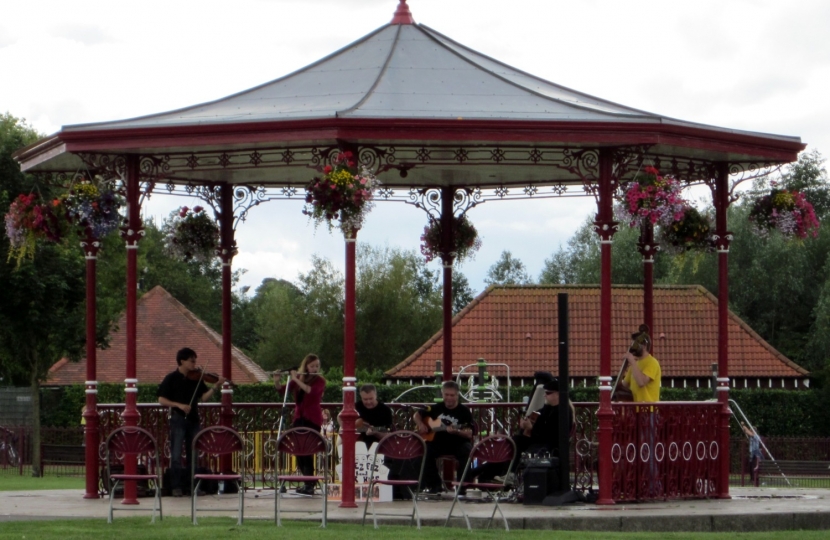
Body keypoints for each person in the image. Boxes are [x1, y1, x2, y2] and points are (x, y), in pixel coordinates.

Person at [157, 347, 225, 498]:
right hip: (177, 418)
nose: (195, 364)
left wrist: (216, 386)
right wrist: (179, 405)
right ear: (182, 361)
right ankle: (176, 486)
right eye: (192, 361)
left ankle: (192, 486)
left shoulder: (196, 378)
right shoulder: (171, 378)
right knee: (175, 454)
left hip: (194, 419)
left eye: (195, 361)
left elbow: (204, 397)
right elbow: (161, 399)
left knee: (193, 454)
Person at [274, 353, 326, 496]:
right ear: (306, 366)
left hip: (312, 419)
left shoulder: (319, 381)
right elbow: (282, 390)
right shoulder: (299, 378)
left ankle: (310, 484)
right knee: (298, 450)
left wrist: (296, 379)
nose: (315, 368)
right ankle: (307, 482)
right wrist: (277, 381)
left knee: (307, 450)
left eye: (317, 366)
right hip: (299, 418)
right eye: (312, 366)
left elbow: (311, 392)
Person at [414, 380, 474, 494]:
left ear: (457, 395)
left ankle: (462, 486)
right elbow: (417, 414)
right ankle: (434, 485)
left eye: (452, 395)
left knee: (467, 451)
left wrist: (457, 432)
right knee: (423, 451)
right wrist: (421, 424)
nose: (449, 398)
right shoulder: (435, 408)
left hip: (458, 443)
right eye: (446, 395)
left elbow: (469, 433)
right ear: (442, 394)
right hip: (437, 442)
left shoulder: (464, 411)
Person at [619, 330, 661, 402]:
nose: (632, 348)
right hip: (635, 409)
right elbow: (624, 385)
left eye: (634, 345)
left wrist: (632, 361)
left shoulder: (652, 362)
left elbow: (641, 382)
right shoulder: (634, 365)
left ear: (644, 346)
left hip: (649, 410)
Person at [354, 383, 394, 449]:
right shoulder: (356, 406)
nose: (368, 402)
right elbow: (340, 417)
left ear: (376, 396)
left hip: (379, 447)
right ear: (361, 397)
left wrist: (375, 432)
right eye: (365, 399)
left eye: (371, 398)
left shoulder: (385, 410)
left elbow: (388, 433)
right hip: (357, 445)